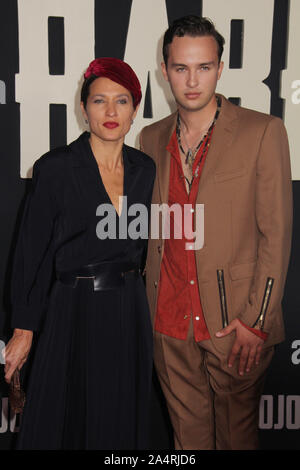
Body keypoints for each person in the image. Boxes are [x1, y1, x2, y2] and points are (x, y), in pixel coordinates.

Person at [140, 15, 292, 450]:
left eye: (203, 67)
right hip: (168, 322)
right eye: (181, 68)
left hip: (235, 324)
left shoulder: (262, 132)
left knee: (236, 440)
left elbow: (276, 235)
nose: (192, 80)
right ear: (165, 70)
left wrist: (257, 322)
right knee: (187, 441)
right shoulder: (150, 139)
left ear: (220, 68)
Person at [4, 57, 155, 450]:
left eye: (122, 101)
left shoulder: (145, 169)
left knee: (121, 418)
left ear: (135, 110)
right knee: (66, 420)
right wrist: (24, 327)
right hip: (73, 309)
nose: (110, 111)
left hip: (129, 307)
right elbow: (30, 253)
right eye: (99, 100)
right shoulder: (56, 167)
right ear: (83, 108)